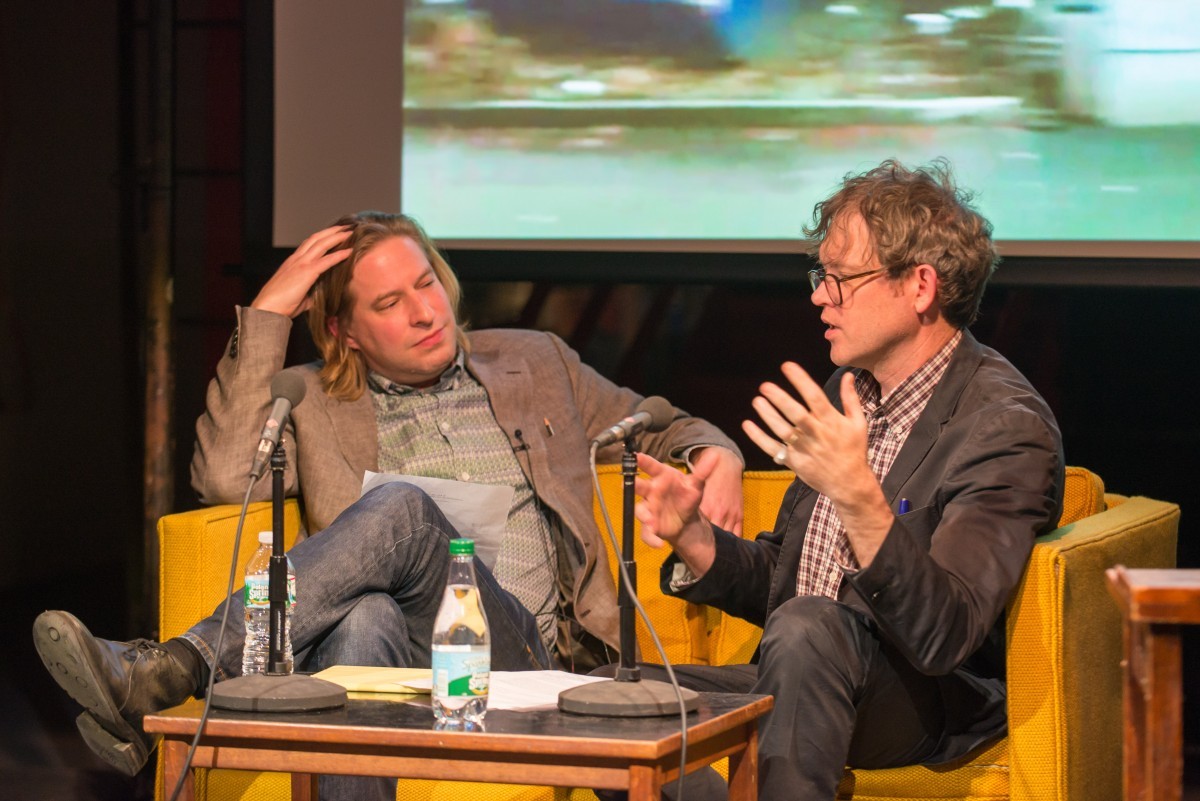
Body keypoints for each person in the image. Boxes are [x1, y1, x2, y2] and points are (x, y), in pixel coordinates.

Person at [32, 212, 744, 800]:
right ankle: (169, 674)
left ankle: (177, 668)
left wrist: (722, 453)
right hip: (399, 671)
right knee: (365, 614)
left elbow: (663, 424)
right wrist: (273, 307)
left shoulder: (536, 361)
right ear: (344, 330)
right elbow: (223, 476)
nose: (425, 312)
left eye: (426, 282)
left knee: (401, 511)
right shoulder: (313, 400)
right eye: (388, 303)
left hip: (522, 655)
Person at [626, 159, 1065, 800]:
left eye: (840, 279)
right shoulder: (849, 388)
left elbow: (944, 632)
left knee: (810, 629)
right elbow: (792, 584)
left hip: (919, 696)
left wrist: (857, 492)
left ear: (920, 286)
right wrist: (696, 539)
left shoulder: (1004, 427)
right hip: (807, 670)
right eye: (819, 276)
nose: (818, 297)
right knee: (612, 702)